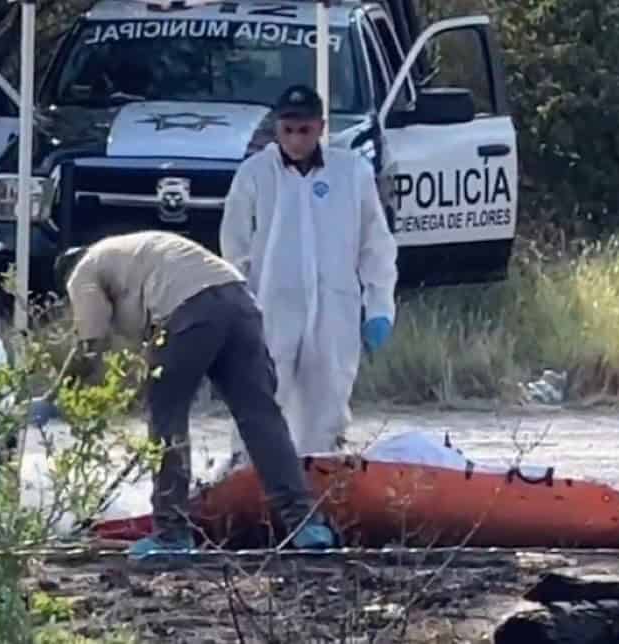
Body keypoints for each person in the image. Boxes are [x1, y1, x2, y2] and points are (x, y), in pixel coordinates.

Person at [49, 231, 337, 558]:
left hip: (189, 310)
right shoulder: (131, 254)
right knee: (261, 418)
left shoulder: (82, 271)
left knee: (167, 422)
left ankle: (171, 533)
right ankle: (305, 524)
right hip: (239, 300)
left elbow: (91, 345)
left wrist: (56, 396)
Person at [220, 84, 398, 459]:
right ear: (276, 129)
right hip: (269, 310)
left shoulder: (351, 173)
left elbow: (375, 246)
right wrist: (237, 310)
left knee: (328, 411)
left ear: (320, 127)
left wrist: (379, 307)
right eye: (287, 130)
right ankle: (247, 486)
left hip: (334, 311)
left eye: (304, 130)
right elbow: (234, 250)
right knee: (261, 404)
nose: (296, 140)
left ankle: (319, 495)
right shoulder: (254, 174)